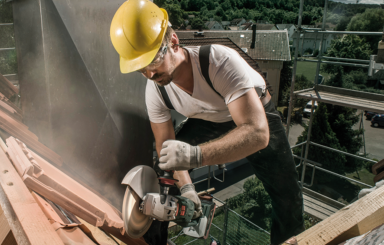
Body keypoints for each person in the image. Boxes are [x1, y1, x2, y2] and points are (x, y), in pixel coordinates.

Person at [110, 0, 304, 244]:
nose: (149, 74)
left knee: (287, 197)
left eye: (153, 62)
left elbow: (257, 134)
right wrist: (186, 188)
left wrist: (196, 156)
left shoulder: (217, 61)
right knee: (165, 166)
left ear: (173, 42)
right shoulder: (155, 90)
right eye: (141, 68)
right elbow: (164, 146)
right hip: (209, 118)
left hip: (254, 116)